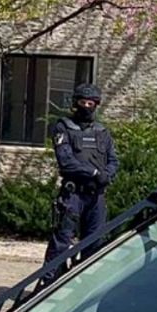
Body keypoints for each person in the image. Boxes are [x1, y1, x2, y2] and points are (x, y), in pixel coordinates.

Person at [45, 82, 119, 263]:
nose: (86, 107)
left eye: (90, 103)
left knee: (95, 244)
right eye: (82, 102)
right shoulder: (64, 127)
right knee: (61, 243)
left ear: (96, 105)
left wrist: (107, 175)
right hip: (73, 196)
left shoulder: (102, 132)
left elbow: (113, 160)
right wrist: (94, 172)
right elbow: (66, 162)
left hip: (97, 196)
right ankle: (49, 285)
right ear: (75, 103)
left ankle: (84, 287)